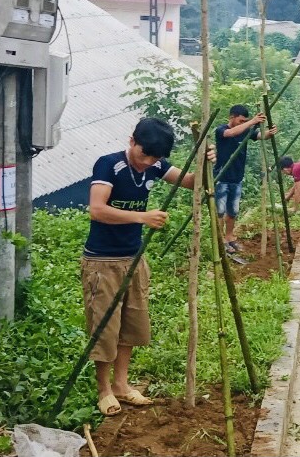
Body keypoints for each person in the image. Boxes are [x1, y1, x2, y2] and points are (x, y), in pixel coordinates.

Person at [83, 118, 214, 417]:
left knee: (131, 323)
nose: (148, 163)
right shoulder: (109, 165)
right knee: (105, 328)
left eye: (154, 158)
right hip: (103, 261)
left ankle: (121, 385)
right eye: (144, 155)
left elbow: (193, 182)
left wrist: (207, 162)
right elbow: (97, 209)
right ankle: (103, 389)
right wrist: (142, 218)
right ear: (131, 141)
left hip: (134, 257)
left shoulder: (155, 166)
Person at [214, 105, 277, 254]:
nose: (243, 123)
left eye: (245, 121)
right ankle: (220, 240)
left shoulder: (245, 131)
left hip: (237, 177)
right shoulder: (221, 130)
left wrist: (270, 132)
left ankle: (230, 237)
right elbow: (229, 133)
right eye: (241, 120)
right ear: (232, 117)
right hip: (222, 177)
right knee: (220, 211)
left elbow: (261, 136)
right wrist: (251, 122)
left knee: (233, 211)